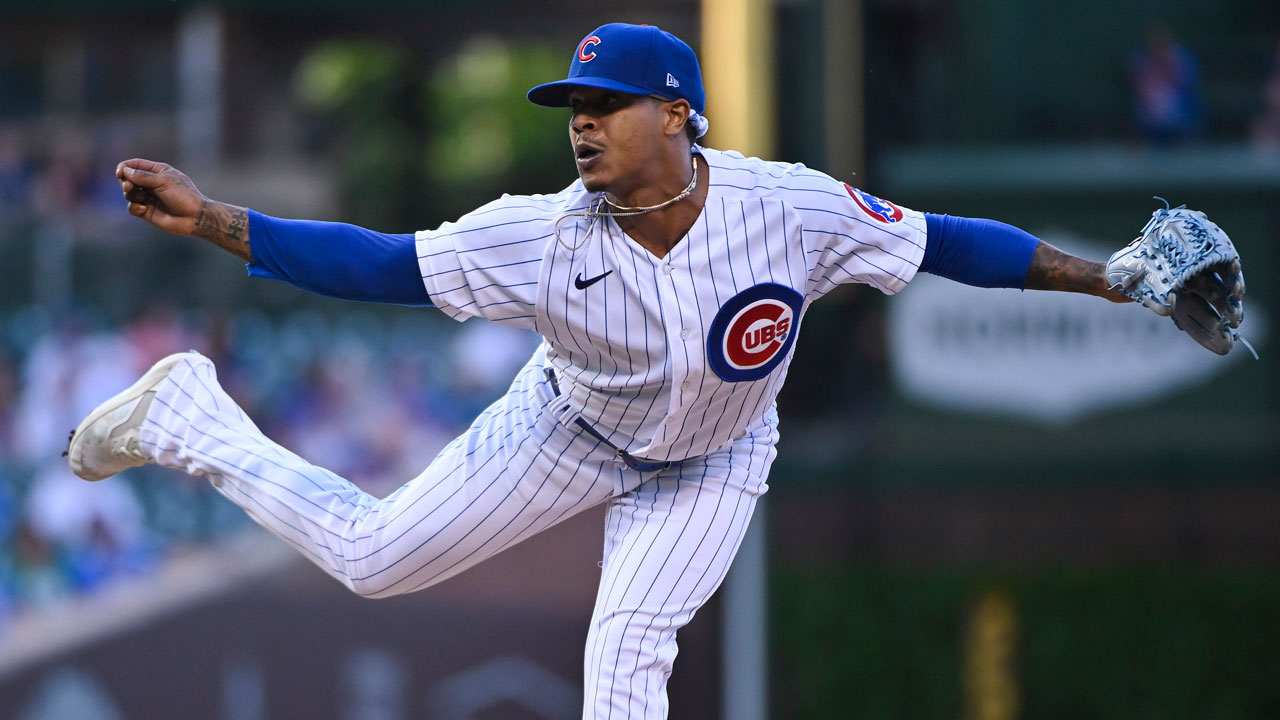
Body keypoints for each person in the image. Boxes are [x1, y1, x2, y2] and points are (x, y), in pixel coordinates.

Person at [69, 23, 1132, 719]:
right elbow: (383, 267)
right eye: (573, 105)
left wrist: (1105, 279)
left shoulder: (786, 209)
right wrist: (212, 216)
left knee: (627, 649)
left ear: (677, 113)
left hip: (712, 457)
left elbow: (944, 241)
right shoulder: (539, 235)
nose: (581, 119)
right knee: (373, 558)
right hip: (566, 429)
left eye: (608, 100)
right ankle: (190, 419)